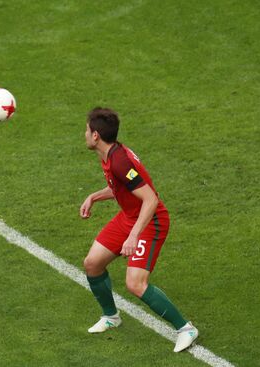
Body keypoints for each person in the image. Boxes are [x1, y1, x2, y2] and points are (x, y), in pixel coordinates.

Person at [80, 107, 198, 352]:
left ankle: (185, 328)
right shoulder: (111, 155)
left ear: (95, 136)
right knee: (92, 263)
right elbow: (120, 188)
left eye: (87, 130)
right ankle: (111, 317)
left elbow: (150, 199)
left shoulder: (120, 161)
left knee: (135, 283)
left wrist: (133, 236)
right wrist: (94, 197)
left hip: (150, 220)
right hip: (129, 216)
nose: (84, 134)